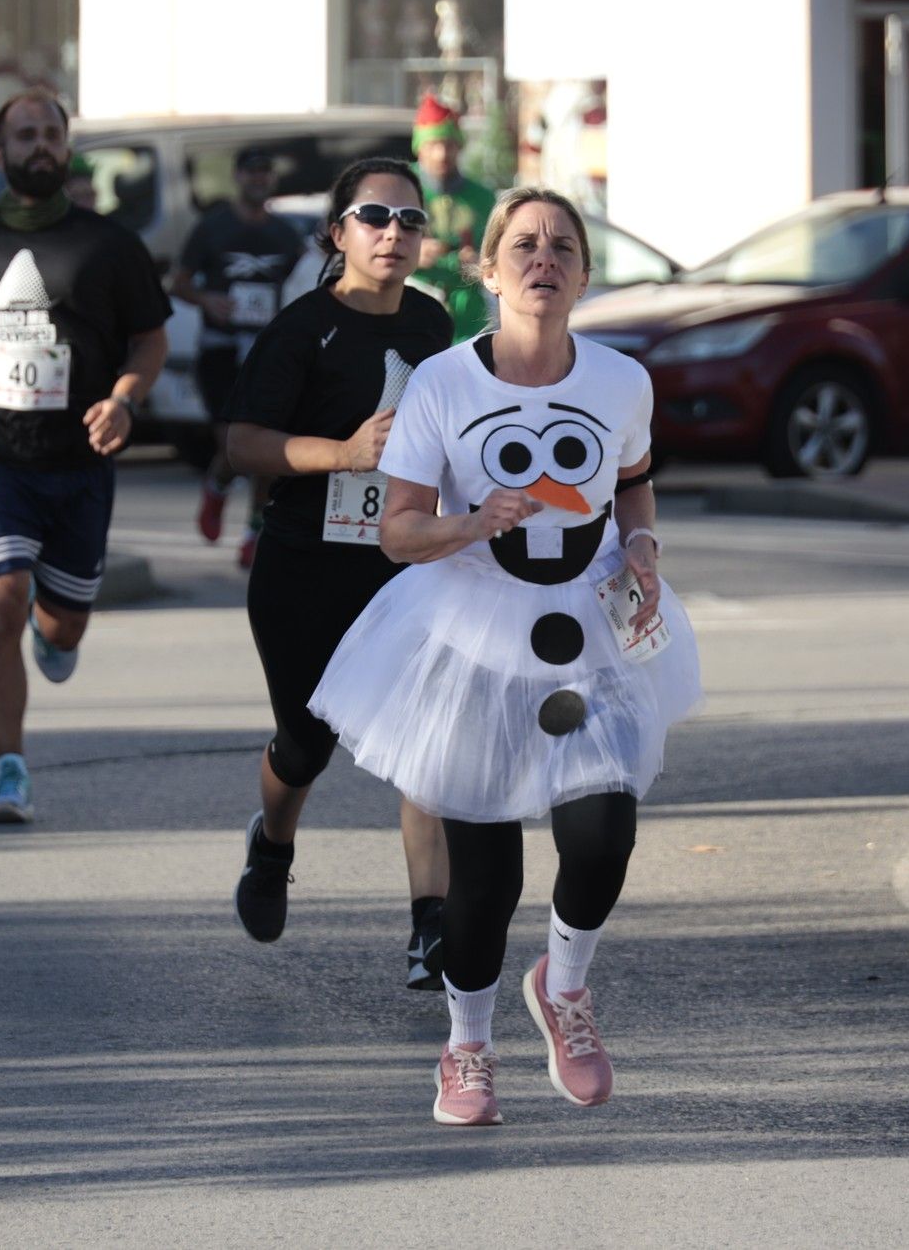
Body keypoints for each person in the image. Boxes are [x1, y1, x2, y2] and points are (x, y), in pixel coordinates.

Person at [309, 187, 703, 1125]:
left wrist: (642, 547)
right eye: (522, 244)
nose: (544, 259)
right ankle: (467, 1046)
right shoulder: (444, 384)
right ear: (488, 270)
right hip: (474, 637)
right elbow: (396, 533)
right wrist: (470, 521)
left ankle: (563, 988)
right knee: (485, 882)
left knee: (604, 835)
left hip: (590, 631)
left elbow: (635, 487)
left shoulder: (620, 382)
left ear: (583, 274)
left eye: (563, 245)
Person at [223, 156, 454, 988]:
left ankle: (433, 927)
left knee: (427, 740)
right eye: (374, 217)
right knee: (307, 744)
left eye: (409, 221)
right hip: (304, 569)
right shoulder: (300, 329)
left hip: (402, 566)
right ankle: (273, 843)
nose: (394, 233)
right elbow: (242, 442)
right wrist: (344, 454)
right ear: (338, 232)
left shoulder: (433, 325)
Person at [0, 89, 170, 826]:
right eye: (24, 134)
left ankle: (56, 624)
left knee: (61, 629)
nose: (39, 145)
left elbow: (150, 339)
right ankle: (10, 770)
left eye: (50, 134)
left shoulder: (108, 244)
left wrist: (126, 399)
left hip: (80, 463)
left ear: (66, 148)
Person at [174, 147, 305, 569]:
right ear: (237, 177)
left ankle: (253, 532)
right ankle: (216, 487)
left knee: (263, 445)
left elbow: (304, 287)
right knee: (231, 446)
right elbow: (177, 282)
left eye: (265, 173)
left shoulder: (286, 235)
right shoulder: (213, 227)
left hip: (266, 350)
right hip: (221, 347)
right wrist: (207, 300)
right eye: (251, 173)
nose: (258, 180)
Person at [410, 93, 497, 344]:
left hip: (467, 316)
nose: (440, 154)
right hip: (413, 306)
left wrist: (480, 261)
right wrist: (411, 252)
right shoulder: (401, 188)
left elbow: (500, 252)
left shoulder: (482, 198)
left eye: (448, 144)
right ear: (419, 148)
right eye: (432, 145)